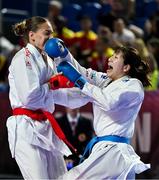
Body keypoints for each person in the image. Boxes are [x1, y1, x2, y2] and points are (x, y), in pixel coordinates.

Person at [44, 38, 151, 179]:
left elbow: (109, 102)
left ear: (126, 68)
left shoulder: (133, 86)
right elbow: (82, 72)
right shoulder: (106, 81)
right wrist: (64, 54)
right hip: (108, 151)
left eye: (115, 57)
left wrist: (81, 83)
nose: (109, 59)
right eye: (112, 56)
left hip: (113, 152)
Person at [6, 16, 90, 179]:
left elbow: (59, 95)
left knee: (61, 177)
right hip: (26, 127)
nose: (51, 39)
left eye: (51, 35)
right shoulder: (23, 58)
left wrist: (90, 93)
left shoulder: (49, 61)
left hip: (45, 126)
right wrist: (52, 85)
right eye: (47, 34)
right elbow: (29, 97)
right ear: (32, 35)